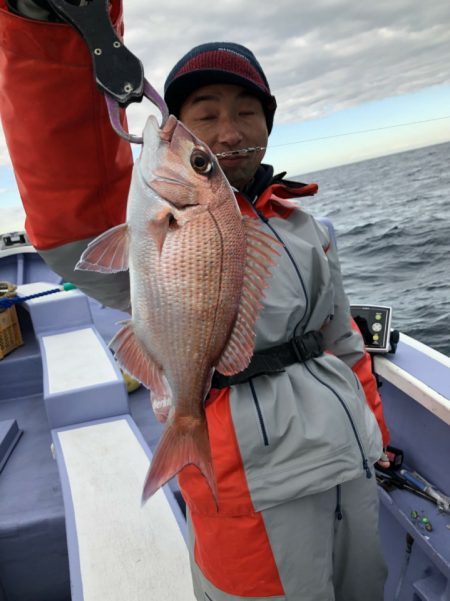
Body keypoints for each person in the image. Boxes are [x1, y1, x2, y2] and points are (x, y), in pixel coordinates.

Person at [0, 1, 390, 599]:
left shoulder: (304, 226)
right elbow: (70, 201)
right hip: (251, 489)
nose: (230, 131)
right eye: (204, 117)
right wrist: (47, 30)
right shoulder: (154, 222)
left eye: (248, 113)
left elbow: (345, 345)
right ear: (169, 129)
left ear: (268, 126)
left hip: (350, 463)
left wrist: (376, 432)